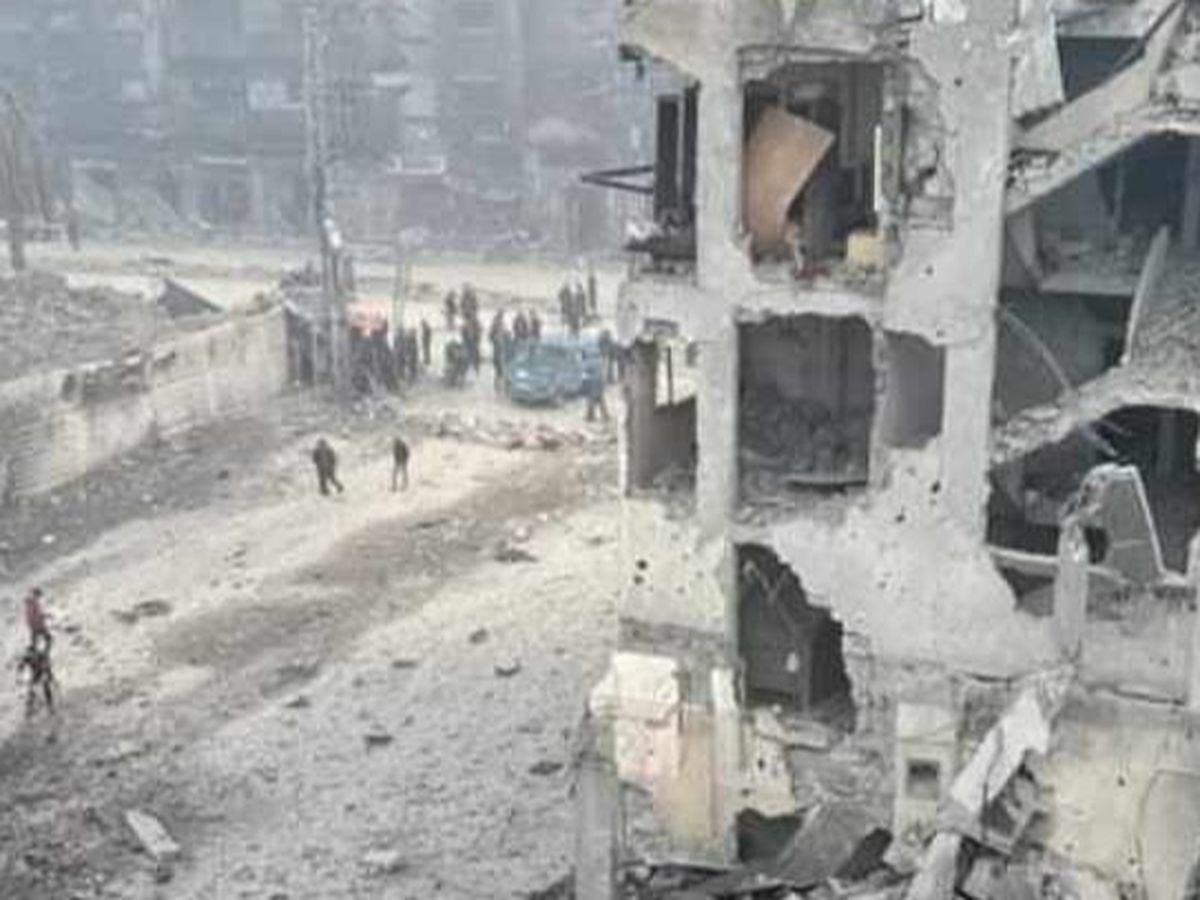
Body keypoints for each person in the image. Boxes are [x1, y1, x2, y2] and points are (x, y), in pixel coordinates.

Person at [17, 644, 55, 718]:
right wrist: (20, 674)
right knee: (31, 690)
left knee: (45, 685)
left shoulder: (41, 656)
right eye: (29, 655)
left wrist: (50, 677)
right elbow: (21, 666)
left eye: (32, 655)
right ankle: (29, 709)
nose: (30, 657)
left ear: (35, 653)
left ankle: (50, 705)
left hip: (42, 671)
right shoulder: (27, 657)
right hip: (34, 673)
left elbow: (47, 667)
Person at [24, 587, 51, 653]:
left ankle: (33, 649)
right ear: (37, 594)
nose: (40, 597)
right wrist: (46, 615)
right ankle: (45, 653)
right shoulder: (35, 603)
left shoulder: (28, 603)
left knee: (34, 636)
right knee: (48, 638)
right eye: (39, 595)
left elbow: (29, 615)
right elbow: (38, 614)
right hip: (38, 624)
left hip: (32, 624)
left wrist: (30, 622)